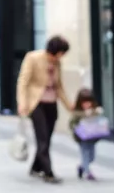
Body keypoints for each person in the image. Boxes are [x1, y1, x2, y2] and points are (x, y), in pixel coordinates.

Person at [16, 35, 72, 183]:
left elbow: (59, 86)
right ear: (55, 51)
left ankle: (35, 167)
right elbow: (23, 81)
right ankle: (48, 172)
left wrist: (69, 105)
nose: (62, 57)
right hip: (36, 103)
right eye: (61, 53)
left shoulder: (57, 63)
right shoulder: (33, 58)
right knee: (42, 137)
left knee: (47, 137)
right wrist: (22, 103)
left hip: (51, 103)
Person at [69, 88, 103, 181]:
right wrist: (76, 128)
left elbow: (98, 120)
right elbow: (72, 123)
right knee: (85, 154)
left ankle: (82, 167)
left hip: (92, 137)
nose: (87, 105)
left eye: (89, 102)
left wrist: (96, 112)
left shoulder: (94, 111)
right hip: (82, 137)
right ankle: (88, 173)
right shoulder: (77, 113)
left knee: (91, 156)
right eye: (84, 102)